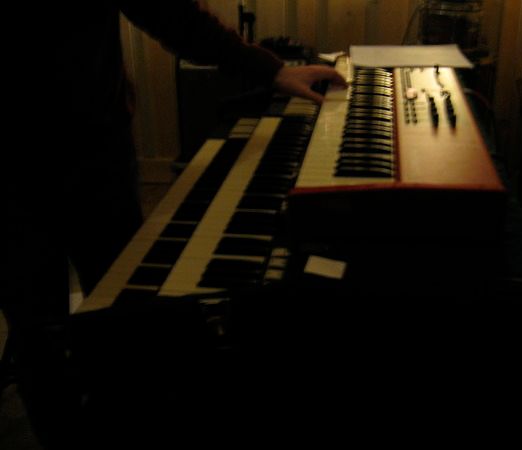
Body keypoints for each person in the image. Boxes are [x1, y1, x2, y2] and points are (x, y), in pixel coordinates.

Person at [3, 2, 345, 448]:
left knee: (119, 304)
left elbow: (171, 14)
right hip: (28, 167)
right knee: (39, 330)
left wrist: (271, 69)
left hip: (95, 149)